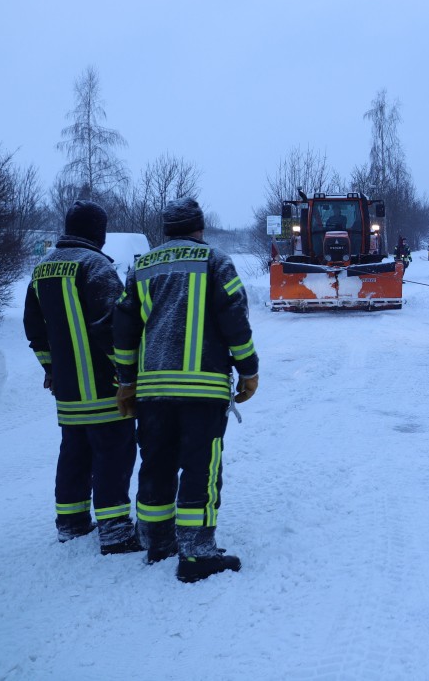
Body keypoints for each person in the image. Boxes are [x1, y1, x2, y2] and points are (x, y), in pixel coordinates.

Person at [112, 197, 259, 583]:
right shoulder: (215, 261)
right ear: (199, 227)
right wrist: (249, 370)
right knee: (200, 465)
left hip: (153, 390)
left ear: (165, 229)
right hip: (203, 388)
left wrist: (126, 382)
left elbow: (124, 330)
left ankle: (158, 542)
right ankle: (196, 554)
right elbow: (235, 321)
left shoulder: (142, 266)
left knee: (157, 462)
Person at [23, 200, 142, 555]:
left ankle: (71, 522)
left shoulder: (42, 269)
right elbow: (113, 328)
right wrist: (127, 376)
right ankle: (116, 531)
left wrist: (51, 370)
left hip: (68, 390)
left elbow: (34, 328)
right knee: (114, 452)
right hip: (104, 387)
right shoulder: (95, 267)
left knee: (74, 451)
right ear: (98, 232)